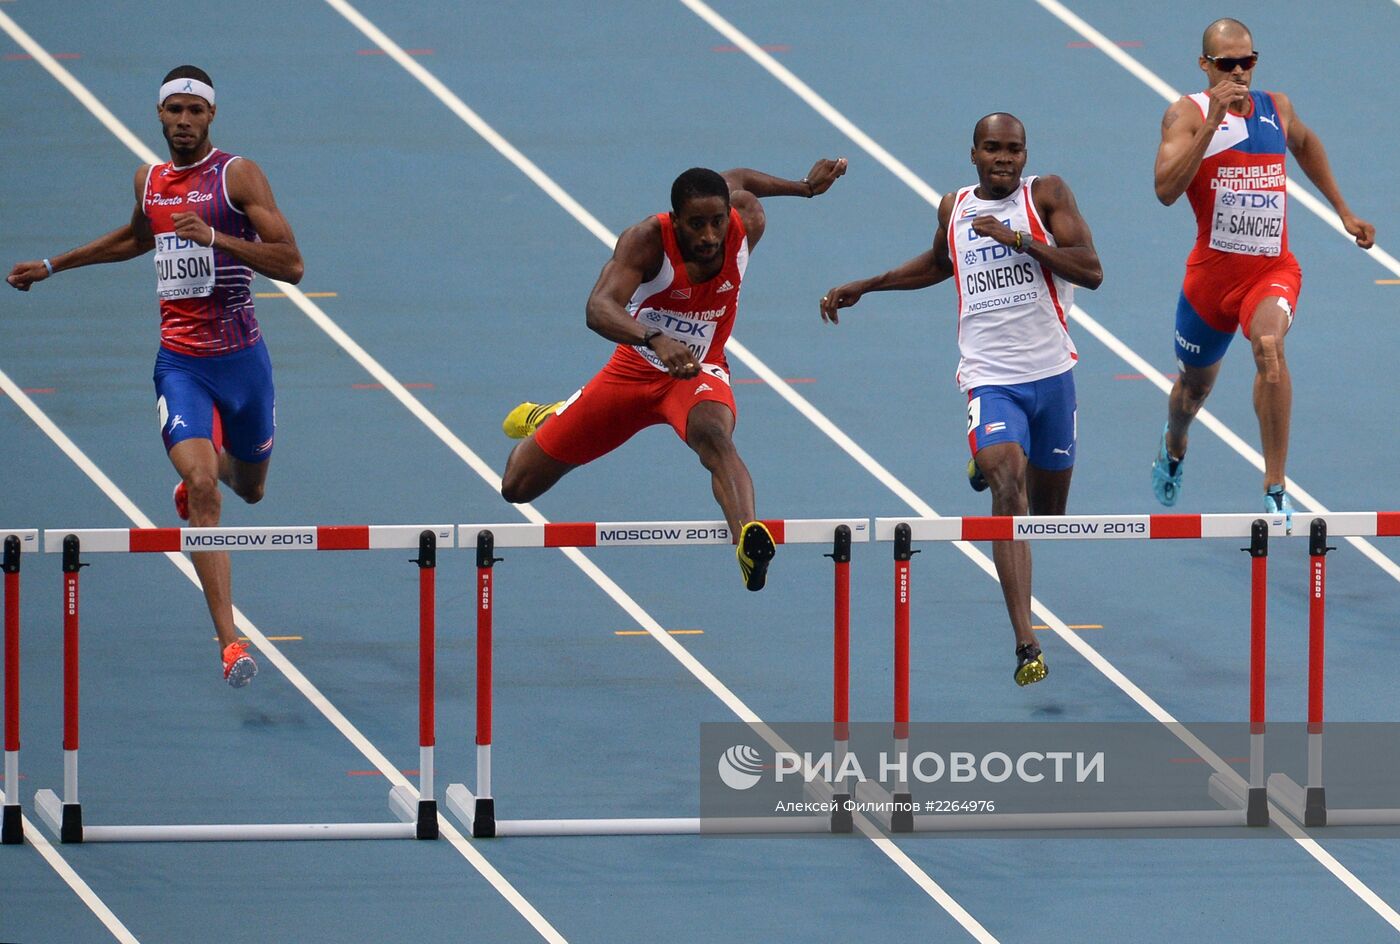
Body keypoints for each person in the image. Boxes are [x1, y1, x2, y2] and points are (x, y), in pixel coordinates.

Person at [7, 66, 304, 687]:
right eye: (175, 111)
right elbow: (136, 238)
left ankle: (210, 477)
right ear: (160, 116)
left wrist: (220, 238)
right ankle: (229, 641)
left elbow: (293, 264)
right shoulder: (151, 181)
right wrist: (53, 265)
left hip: (244, 363)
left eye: (196, 111)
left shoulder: (236, 175)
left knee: (248, 489)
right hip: (182, 365)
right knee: (203, 487)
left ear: (211, 116)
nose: (185, 121)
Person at [819, 114, 1102, 685]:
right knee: (1007, 490)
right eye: (993, 149)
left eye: (1014, 150)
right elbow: (939, 263)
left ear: (1026, 155)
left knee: (1046, 520)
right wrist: (868, 285)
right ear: (973, 153)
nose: (1004, 159)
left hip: (1051, 379)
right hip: (989, 379)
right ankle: (1026, 643)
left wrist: (1019, 240)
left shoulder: (1045, 195)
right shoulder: (954, 208)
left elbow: (1091, 270)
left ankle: (989, 454)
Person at [500, 159, 847, 591]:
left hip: (698, 373)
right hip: (632, 372)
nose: (708, 235)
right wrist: (655, 339)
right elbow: (599, 308)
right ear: (675, 219)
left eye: (716, 222)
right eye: (696, 224)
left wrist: (804, 188)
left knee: (715, 439)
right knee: (517, 486)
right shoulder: (646, 241)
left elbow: (738, 177)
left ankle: (748, 539)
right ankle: (556, 416)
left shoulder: (747, 220)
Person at [1150, 18, 1374, 532]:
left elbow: (1305, 143)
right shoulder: (1185, 114)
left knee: (1269, 348)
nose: (1238, 74)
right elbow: (1164, 189)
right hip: (1209, 281)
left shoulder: (1278, 108)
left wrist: (1342, 209)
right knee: (1192, 391)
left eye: (1246, 62)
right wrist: (1211, 124)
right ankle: (1175, 441)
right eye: (1226, 64)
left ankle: (1275, 488)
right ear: (1205, 65)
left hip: (1270, 271)